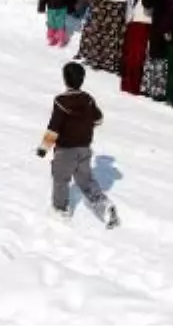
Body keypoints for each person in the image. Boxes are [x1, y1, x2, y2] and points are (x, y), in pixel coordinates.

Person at [37, 62, 119, 228]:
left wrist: (43, 148)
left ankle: (61, 209)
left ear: (65, 79)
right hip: (84, 149)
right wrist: (84, 124)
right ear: (82, 79)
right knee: (86, 180)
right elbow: (98, 119)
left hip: (65, 150)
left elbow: (54, 128)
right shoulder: (87, 99)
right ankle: (103, 205)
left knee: (61, 179)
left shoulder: (60, 101)